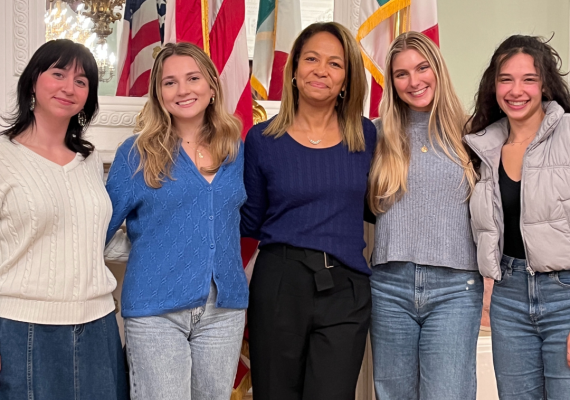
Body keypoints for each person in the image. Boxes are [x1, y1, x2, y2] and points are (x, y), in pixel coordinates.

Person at [105, 42, 247, 400]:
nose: (183, 90)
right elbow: (98, 227)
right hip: (156, 314)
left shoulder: (237, 150)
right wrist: (144, 249)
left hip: (224, 311)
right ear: (158, 93)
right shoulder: (136, 153)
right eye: (170, 82)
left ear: (212, 87)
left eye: (193, 78)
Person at [241, 22, 375, 400]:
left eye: (335, 64)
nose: (321, 70)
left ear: (347, 78)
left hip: (347, 288)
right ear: (295, 70)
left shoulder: (366, 136)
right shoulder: (262, 140)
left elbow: (378, 206)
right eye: (311, 59)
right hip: (280, 283)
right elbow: (250, 220)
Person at [0, 39, 128, 400]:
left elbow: (87, 236)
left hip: (98, 325)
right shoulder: (3, 155)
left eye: (82, 80)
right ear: (33, 82)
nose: (69, 88)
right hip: (20, 328)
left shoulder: (88, 161)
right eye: (58, 74)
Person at [367, 31, 483, 400]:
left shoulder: (474, 136)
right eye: (401, 74)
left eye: (422, 68)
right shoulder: (376, 135)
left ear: (438, 69)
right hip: (389, 287)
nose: (414, 81)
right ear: (392, 82)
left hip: (455, 289)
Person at [465, 35, 570, 399]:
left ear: (545, 84)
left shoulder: (569, 134)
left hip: (564, 296)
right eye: (506, 79)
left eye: (529, 79)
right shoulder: (481, 148)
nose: (516, 90)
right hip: (508, 298)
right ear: (494, 86)